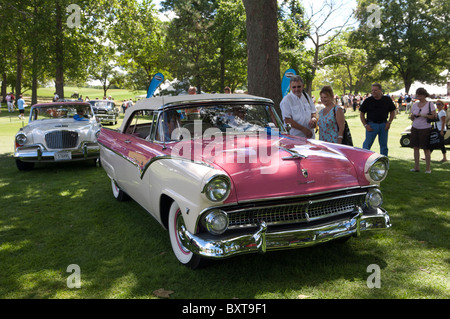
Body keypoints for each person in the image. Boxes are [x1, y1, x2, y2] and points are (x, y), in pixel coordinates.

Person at [359, 83, 396, 156]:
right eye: (372, 90)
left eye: (375, 90)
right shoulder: (368, 100)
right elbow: (362, 113)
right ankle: (364, 161)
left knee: (384, 146)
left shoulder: (387, 99)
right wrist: (366, 125)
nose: (373, 92)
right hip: (371, 125)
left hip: (383, 125)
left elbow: (392, 111)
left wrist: (389, 122)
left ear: (380, 90)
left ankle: (384, 162)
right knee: (366, 145)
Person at [409, 88, 436, 173]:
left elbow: (434, 116)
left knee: (426, 149)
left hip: (425, 128)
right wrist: (413, 116)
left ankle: (428, 168)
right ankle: (416, 167)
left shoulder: (430, 104)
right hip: (415, 127)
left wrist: (423, 115)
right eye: (417, 95)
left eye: (420, 95)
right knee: (415, 148)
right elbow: (412, 116)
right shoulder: (415, 104)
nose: (418, 96)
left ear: (424, 95)